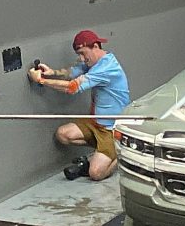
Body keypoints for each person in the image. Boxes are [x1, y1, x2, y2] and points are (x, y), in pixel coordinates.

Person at [28, 30, 130, 181]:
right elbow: (72, 72)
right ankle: (103, 151)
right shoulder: (94, 62)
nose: (82, 59)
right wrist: (51, 72)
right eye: (79, 55)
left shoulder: (107, 68)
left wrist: (41, 81)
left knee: (96, 173)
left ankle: (123, 151)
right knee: (63, 134)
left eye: (83, 53)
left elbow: (72, 87)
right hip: (96, 123)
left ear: (95, 46)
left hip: (112, 129)